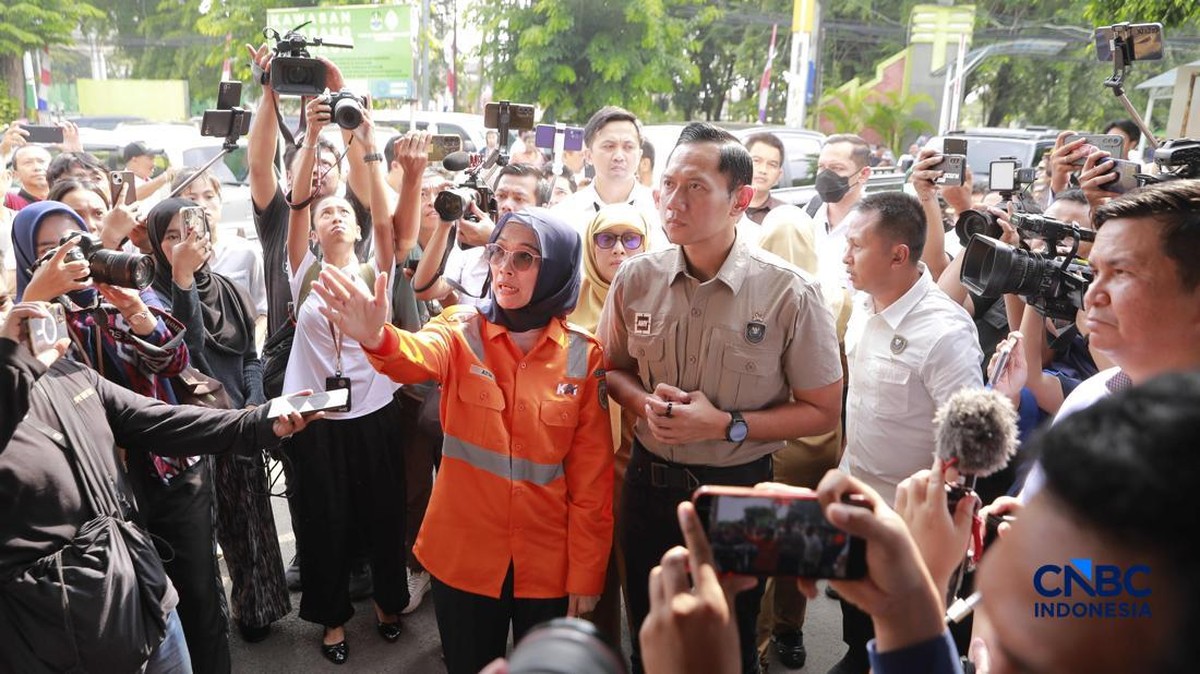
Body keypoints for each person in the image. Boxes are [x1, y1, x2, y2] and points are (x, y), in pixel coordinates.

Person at [314, 206, 614, 674]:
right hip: (465, 556)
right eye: (498, 252)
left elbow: (592, 482)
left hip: (548, 563)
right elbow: (415, 356)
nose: (504, 269)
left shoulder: (583, 354)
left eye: (525, 258)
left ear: (556, 267)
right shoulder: (460, 328)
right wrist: (377, 338)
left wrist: (587, 574)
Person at [597, 122, 843, 674]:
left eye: (695, 187)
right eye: (667, 184)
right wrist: (643, 406)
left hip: (740, 489)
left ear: (741, 200)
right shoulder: (636, 278)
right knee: (649, 631)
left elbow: (822, 409)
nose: (673, 201)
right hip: (648, 483)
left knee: (730, 643)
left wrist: (724, 425)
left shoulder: (789, 293)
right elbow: (612, 369)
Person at [0, 298, 315, 674]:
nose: (9, 318)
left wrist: (261, 422)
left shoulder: (67, 375)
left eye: (4, 301)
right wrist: (10, 366)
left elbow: (161, 421)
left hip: (143, 596)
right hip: (57, 633)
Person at [12, 201, 234, 673]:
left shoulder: (115, 283)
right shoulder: (23, 321)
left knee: (197, 593)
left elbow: (176, 365)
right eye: (49, 251)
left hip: (168, 469)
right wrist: (37, 302)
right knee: (131, 607)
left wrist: (138, 315)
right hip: (99, 495)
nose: (66, 260)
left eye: (75, 246)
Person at [836, 190, 982, 673]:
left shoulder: (945, 333)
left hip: (911, 526)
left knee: (904, 641)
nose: (845, 256)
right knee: (858, 635)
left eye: (856, 245)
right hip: (859, 499)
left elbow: (967, 450)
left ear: (899, 255)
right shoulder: (864, 305)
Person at [144, 197, 290, 643]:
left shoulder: (229, 288)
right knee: (201, 539)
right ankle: (208, 625)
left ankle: (256, 608)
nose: (185, 242)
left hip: (239, 421)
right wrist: (182, 278)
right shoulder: (149, 297)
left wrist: (254, 399)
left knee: (249, 522)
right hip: (189, 427)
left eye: (193, 232)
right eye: (172, 236)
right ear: (154, 244)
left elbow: (249, 355)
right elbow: (187, 355)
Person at [571, 202, 650, 648]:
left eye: (630, 238)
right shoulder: (570, 298)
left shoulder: (659, 295)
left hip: (636, 452)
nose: (618, 249)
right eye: (606, 239)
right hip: (583, 454)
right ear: (590, 246)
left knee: (640, 565)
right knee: (591, 570)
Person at [171, 169, 269, 348]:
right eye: (192, 199)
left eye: (209, 196)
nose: (202, 205)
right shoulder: (171, 257)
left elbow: (262, 311)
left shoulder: (246, 252)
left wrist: (250, 353)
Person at [553, 106, 660, 245]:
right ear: (588, 155)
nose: (619, 156)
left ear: (639, 155)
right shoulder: (564, 216)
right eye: (609, 146)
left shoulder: (659, 212)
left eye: (628, 147)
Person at [812, 134, 873, 292]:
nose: (825, 176)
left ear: (863, 174)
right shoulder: (810, 211)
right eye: (821, 167)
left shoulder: (875, 223)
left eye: (837, 168)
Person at [742, 133, 786, 225]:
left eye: (772, 164)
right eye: (756, 161)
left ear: (779, 175)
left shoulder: (785, 216)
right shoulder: (722, 207)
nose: (763, 170)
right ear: (742, 162)